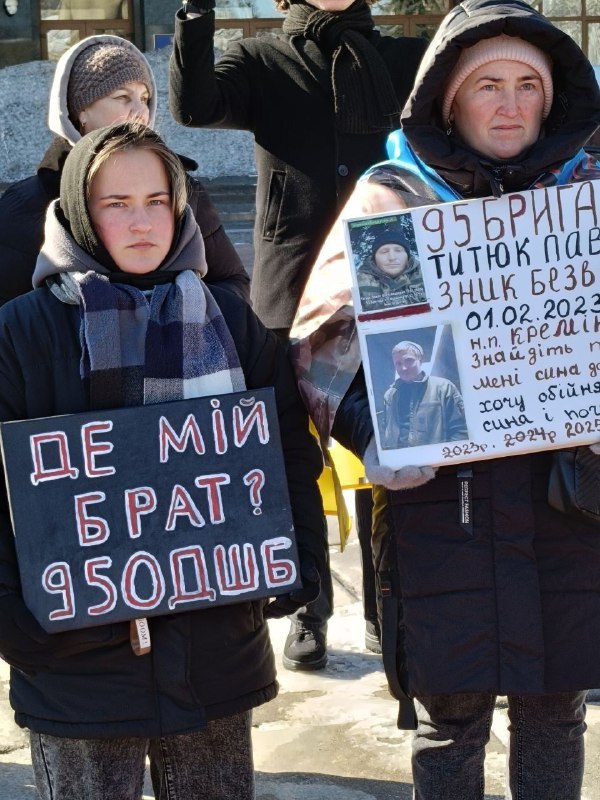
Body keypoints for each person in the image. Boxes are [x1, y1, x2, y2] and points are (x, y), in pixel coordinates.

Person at [293, 0, 600, 795]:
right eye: (486, 84)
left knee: (555, 708)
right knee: (447, 721)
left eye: (526, 85)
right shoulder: (393, 195)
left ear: (553, 96)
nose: (508, 104)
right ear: (448, 99)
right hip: (442, 513)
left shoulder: (589, 197)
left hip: (566, 504)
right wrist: (376, 440)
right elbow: (322, 345)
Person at [0, 121, 327, 800]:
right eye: (115, 204)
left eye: (156, 200)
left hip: (212, 650)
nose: (141, 220)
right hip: (74, 662)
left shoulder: (230, 322)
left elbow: (289, 448)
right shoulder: (21, 332)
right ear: (78, 212)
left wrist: (299, 560)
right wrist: (20, 628)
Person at [169, 0, 427, 670]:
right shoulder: (263, 59)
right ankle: (308, 606)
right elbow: (195, 106)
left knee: (387, 446)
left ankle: (384, 607)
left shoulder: (401, 57)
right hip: (290, 288)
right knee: (297, 458)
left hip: (386, 286)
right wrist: (195, 15)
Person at [0, 34, 250, 306]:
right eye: (122, 97)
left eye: (144, 98)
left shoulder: (184, 191)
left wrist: (176, 312)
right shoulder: (26, 204)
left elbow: (231, 283)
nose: (139, 111)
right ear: (80, 110)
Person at [380, 340, 467, 449]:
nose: (404, 368)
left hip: (437, 461)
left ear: (420, 360)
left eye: (409, 361)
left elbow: (460, 430)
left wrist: (444, 460)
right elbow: (385, 431)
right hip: (400, 463)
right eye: (398, 363)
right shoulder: (389, 395)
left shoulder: (444, 388)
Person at [357, 230, 425, 310]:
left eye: (398, 250)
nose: (392, 258)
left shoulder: (427, 275)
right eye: (384, 252)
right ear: (374, 259)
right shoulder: (357, 282)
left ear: (408, 257)